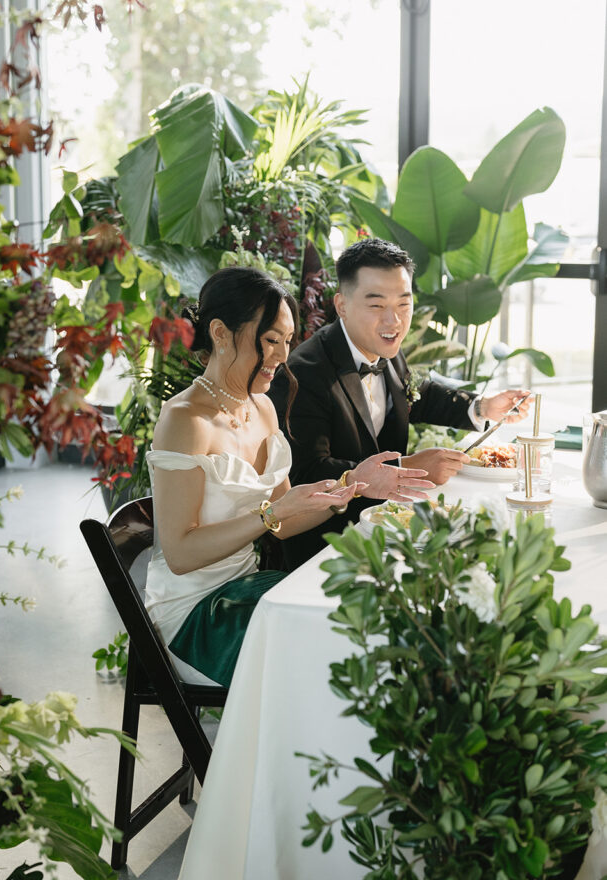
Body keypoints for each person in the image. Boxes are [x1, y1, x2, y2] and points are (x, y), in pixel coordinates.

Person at [144, 266, 432, 687]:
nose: (282, 356)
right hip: (194, 615)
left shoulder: (261, 407)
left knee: (365, 618)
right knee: (337, 656)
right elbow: (181, 555)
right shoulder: (185, 420)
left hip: (249, 591)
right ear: (221, 333)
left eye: (286, 341)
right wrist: (269, 513)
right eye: (270, 341)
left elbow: (283, 524)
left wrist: (353, 485)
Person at [270, 238, 531, 570]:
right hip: (328, 550)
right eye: (377, 305)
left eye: (403, 304)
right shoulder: (304, 374)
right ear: (342, 305)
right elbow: (308, 476)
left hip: (392, 535)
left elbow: (414, 394)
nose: (393, 321)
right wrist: (405, 469)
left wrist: (482, 407)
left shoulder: (384, 349)